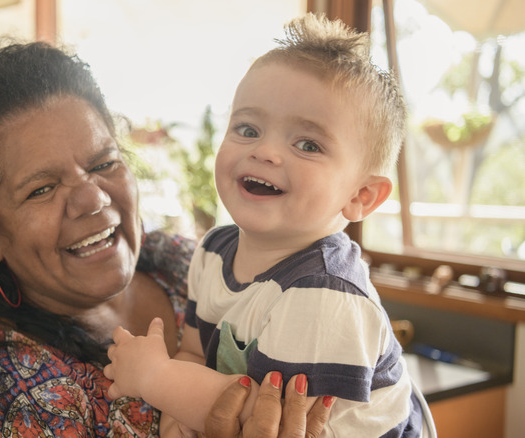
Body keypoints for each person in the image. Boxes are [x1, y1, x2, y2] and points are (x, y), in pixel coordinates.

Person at [0, 41, 333, 437]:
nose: (91, 198)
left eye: (103, 162)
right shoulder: (7, 400)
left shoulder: (187, 262)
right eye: (41, 189)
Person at [105, 13, 431, 437]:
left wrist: (155, 380)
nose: (266, 151)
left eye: (308, 144)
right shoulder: (212, 250)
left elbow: (269, 422)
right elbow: (193, 352)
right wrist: (176, 416)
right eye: (248, 128)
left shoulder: (324, 289)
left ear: (360, 197)